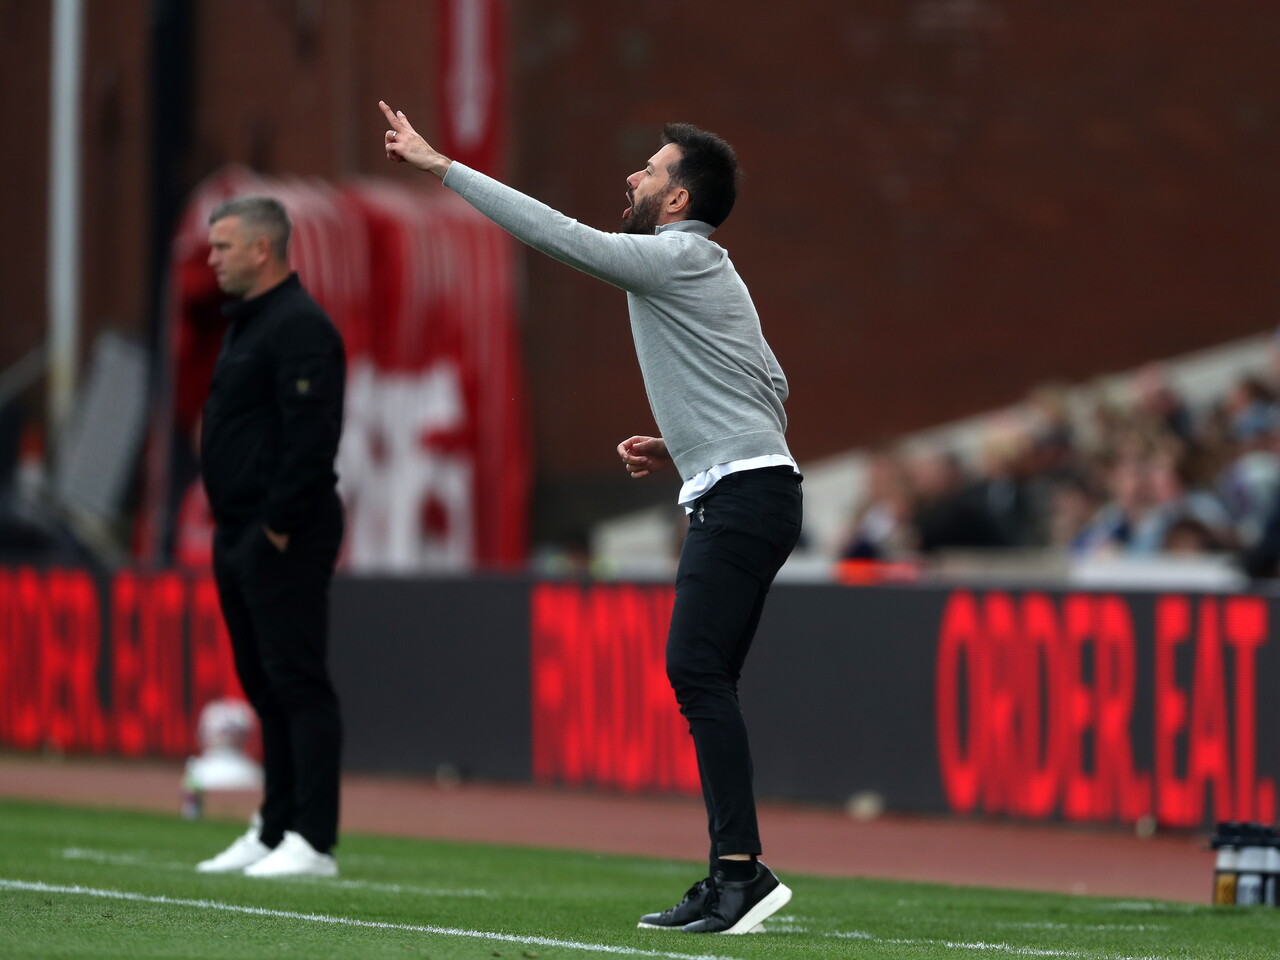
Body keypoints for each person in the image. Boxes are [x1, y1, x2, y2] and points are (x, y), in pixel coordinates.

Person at [379, 101, 800, 934]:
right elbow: (775, 387)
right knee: (705, 677)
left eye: (651, 169)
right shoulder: (704, 267)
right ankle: (735, 871)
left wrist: (442, 168)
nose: (634, 177)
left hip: (744, 495)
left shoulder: (675, 257)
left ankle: (740, 873)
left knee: (695, 672)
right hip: (753, 487)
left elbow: (557, 235)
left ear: (678, 201)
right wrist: (687, 445)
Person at [194, 196, 347, 878]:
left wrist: (278, 524)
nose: (211, 259)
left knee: (295, 680)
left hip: (283, 530)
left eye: (222, 246)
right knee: (261, 681)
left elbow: (311, 437)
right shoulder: (251, 323)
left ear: (263, 249)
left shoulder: (299, 326)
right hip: (238, 530)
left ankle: (312, 839)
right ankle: (274, 822)